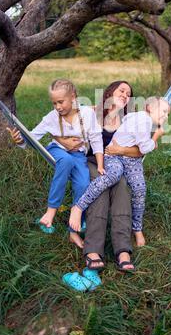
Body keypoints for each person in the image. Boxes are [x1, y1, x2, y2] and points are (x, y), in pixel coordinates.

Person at [7, 78, 104, 249]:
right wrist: (19, 140)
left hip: (79, 155)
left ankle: (76, 223)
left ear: (73, 96)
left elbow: (96, 139)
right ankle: (50, 212)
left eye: (61, 102)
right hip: (56, 151)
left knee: (83, 183)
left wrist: (100, 164)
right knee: (65, 161)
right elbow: (32, 138)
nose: (58, 107)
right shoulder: (51, 117)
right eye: (54, 103)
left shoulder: (87, 115)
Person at [56, 81, 140, 271]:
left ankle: (122, 250)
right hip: (88, 160)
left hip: (115, 164)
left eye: (129, 93)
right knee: (100, 190)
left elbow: (139, 151)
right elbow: (61, 119)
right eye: (122, 90)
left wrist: (121, 149)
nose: (125, 94)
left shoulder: (129, 121)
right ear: (110, 92)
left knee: (122, 187)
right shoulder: (92, 112)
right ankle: (93, 249)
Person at [68, 96, 170, 249]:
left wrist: (150, 141)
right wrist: (156, 137)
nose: (166, 116)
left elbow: (141, 147)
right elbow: (144, 148)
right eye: (163, 111)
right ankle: (79, 206)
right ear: (149, 108)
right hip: (113, 156)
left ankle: (137, 228)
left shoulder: (140, 119)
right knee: (114, 175)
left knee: (139, 188)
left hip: (131, 160)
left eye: (168, 113)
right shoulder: (144, 120)